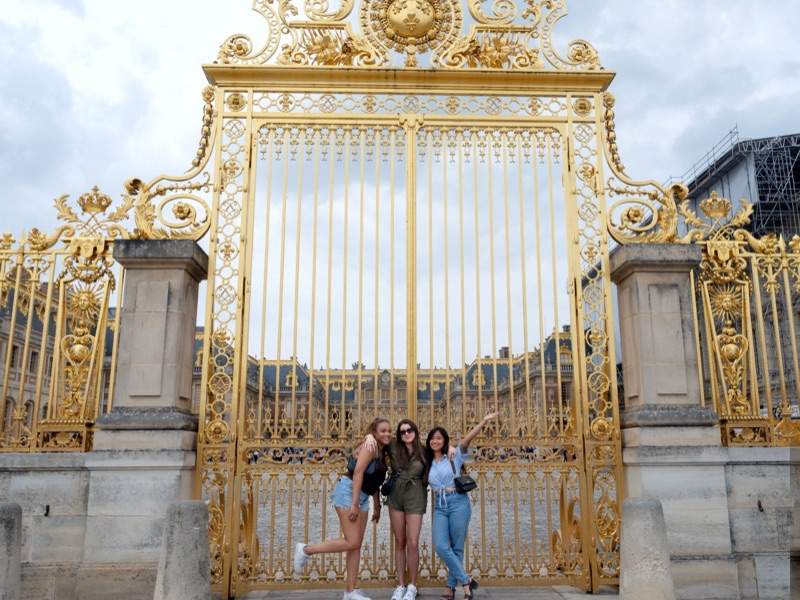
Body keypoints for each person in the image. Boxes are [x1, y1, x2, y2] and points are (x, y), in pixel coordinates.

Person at [293, 417, 392, 600]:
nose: (387, 433)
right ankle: (306, 550)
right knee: (352, 541)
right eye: (383, 431)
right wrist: (354, 503)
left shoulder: (381, 449)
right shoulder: (370, 446)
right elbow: (358, 472)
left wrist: (376, 506)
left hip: (361, 496)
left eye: (389, 431)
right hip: (349, 492)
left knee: (355, 545)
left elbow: (374, 479)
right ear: (375, 432)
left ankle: (350, 591)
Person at [425, 412, 498, 600]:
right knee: (441, 546)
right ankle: (466, 581)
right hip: (440, 506)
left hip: (458, 502)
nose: (435, 441)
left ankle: (451, 589)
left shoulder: (454, 456)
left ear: (445, 440)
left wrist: (483, 421)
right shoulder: (427, 461)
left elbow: (467, 440)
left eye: (439, 438)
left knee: (457, 547)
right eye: (432, 438)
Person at [385, 419, 428, 600]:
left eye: (409, 430)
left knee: (412, 542)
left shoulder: (425, 451)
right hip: (396, 495)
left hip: (415, 496)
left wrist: (449, 449)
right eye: (402, 432)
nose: (406, 434)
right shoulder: (393, 446)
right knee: (400, 541)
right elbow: (377, 438)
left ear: (415, 431)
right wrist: (368, 437)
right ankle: (401, 584)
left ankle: (412, 585)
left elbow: (444, 448)